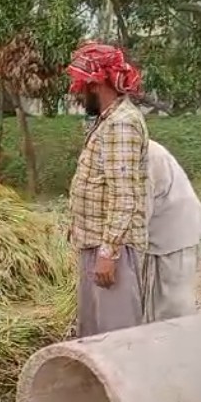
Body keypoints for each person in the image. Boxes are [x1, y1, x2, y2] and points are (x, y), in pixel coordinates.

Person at [66, 41, 150, 337]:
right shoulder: (108, 121)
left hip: (113, 253)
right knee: (94, 338)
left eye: (81, 85)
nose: (77, 93)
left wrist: (108, 252)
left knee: (117, 341)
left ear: (96, 83)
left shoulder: (121, 124)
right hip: (97, 245)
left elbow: (123, 194)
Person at [142, 140, 201, 322]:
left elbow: (139, 209)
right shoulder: (133, 149)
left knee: (175, 308)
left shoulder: (144, 155)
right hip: (160, 236)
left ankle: (182, 347)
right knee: (156, 307)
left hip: (177, 234)